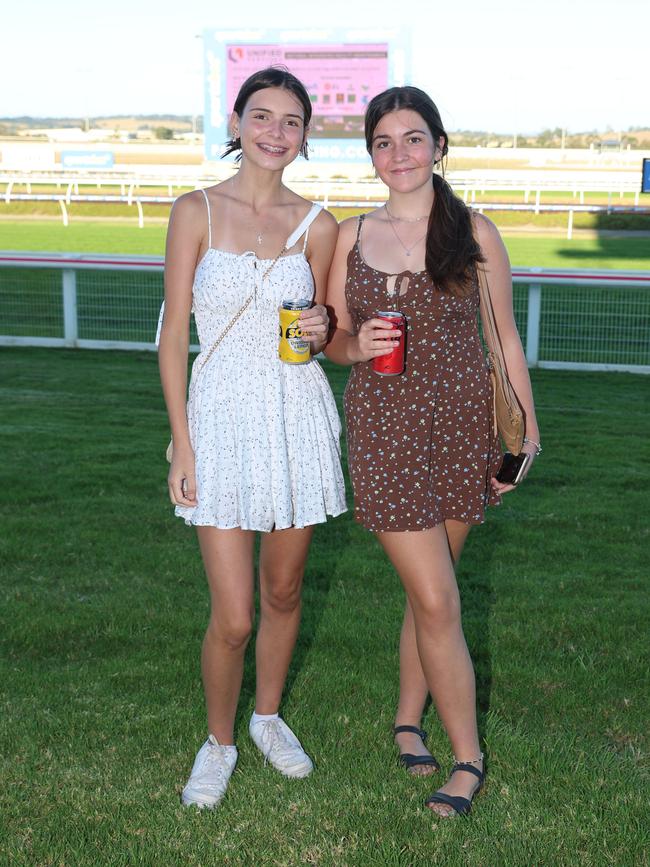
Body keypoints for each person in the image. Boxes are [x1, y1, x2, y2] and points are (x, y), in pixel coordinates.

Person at [324, 86, 540, 818]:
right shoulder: (349, 235)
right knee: (439, 597)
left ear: (439, 145)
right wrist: (358, 344)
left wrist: (525, 436)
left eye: (412, 138)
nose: (399, 154)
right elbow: (331, 337)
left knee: (431, 591)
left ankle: (406, 717)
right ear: (370, 156)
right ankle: (469, 758)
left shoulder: (473, 232)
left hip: (460, 428)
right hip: (384, 432)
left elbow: (503, 337)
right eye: (383, 142)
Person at [158, 66, 346, 809]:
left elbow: (325, 329)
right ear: (235, 124)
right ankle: (219, 740)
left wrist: (325, 325)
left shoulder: (320, 223)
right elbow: (174, 336)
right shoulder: (195, 209)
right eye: (261, 116)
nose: (275, 131)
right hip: (220, 420)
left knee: (285, 586)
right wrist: (182, 441)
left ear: (304, 135)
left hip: (296, 415)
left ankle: (266, 717)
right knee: (234, 612)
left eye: (291, 120)